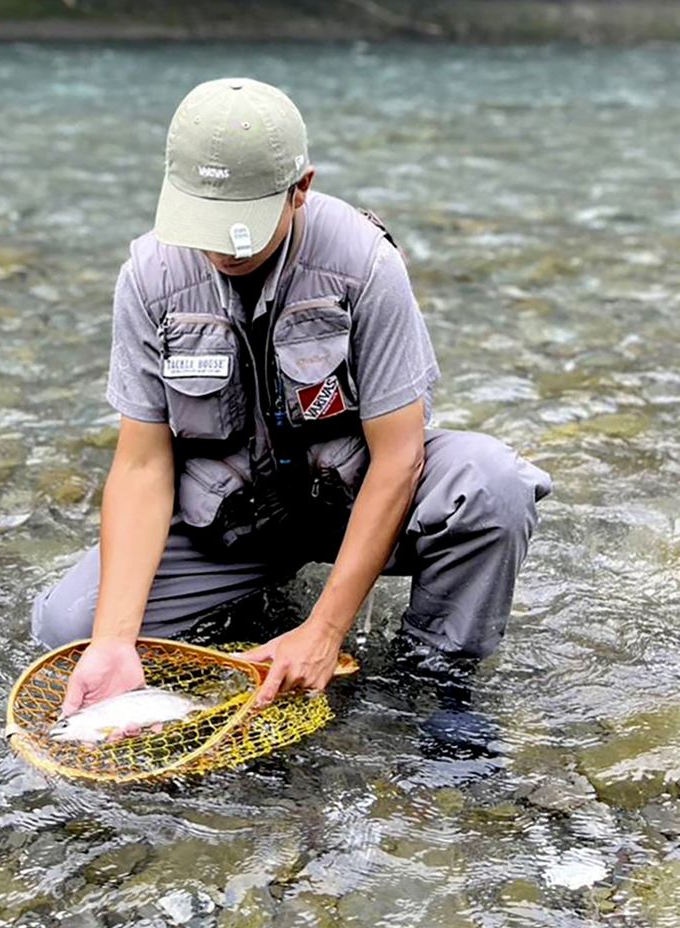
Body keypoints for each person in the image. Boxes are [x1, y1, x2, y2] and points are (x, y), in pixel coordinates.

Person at [31, 77, 551, 719]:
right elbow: (141, 467)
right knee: (67, 628)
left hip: (350, 499)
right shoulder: (149, 277)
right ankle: (243, 607)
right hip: (227, 525)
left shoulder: (364, 265)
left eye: (240, 223)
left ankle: (435, 684)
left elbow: (400, 458)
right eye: (205, 220)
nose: (221, 246)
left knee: (493, 487)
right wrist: (112, 642)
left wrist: (326, 633)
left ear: (300, 188)